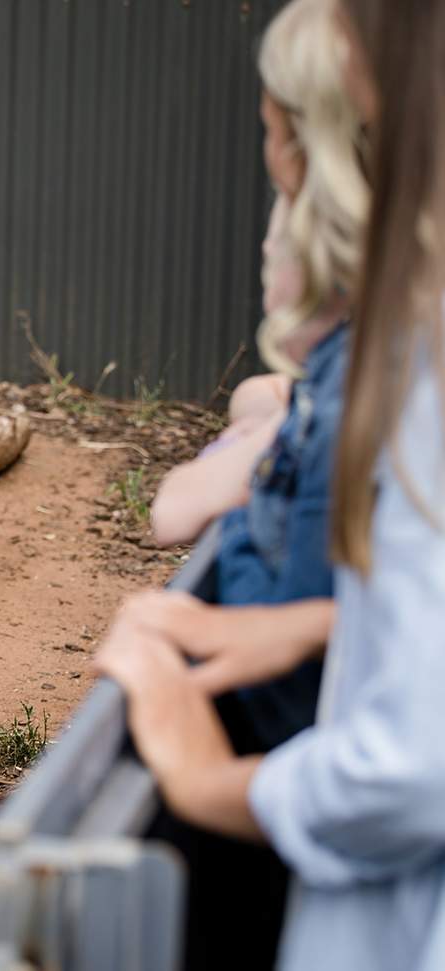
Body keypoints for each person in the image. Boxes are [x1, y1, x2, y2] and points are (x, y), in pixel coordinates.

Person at [98, 0, 445, 966]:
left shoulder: (415, 381)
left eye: (271, 136)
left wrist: (203, 778)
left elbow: (413, 768)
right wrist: (323, 623)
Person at [129, 0, 368, 755]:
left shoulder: (361, 397)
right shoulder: (353, 374)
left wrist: (199, 777)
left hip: (279, 766)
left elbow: (372, 756)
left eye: (270, 134)